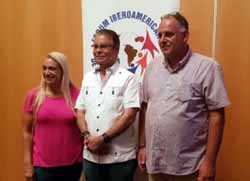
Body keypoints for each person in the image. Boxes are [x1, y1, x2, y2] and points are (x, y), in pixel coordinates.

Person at [137, 12, 230, 181]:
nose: (162, 39)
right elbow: (145, 107)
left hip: (189, 167)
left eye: (169, 34)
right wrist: (142, 146)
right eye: (159, 35)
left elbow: (217, 116)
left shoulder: (207, 68)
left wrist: (209, 161)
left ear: (185, 36)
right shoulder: (152, 67)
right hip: (155, 163)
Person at [75, 29, 140, 181]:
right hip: (91, 156)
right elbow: (80, 111)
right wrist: (87, 136)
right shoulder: (88, 78)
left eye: (104, 46)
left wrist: (103, 139)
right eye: (95, 46)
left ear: (116, 50)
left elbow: (129, 115)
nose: (98, 50)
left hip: (119, 159)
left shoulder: (128, 78)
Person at [23, 51, 83, 181]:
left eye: (52, 69)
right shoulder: (33, 96)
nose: (47, 72)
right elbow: (27, 132)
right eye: (44, 68)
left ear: (63, 71)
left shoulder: (78, 95)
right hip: (43, 166)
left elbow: (84, 129)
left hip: (73, 164)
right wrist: (28, 163)